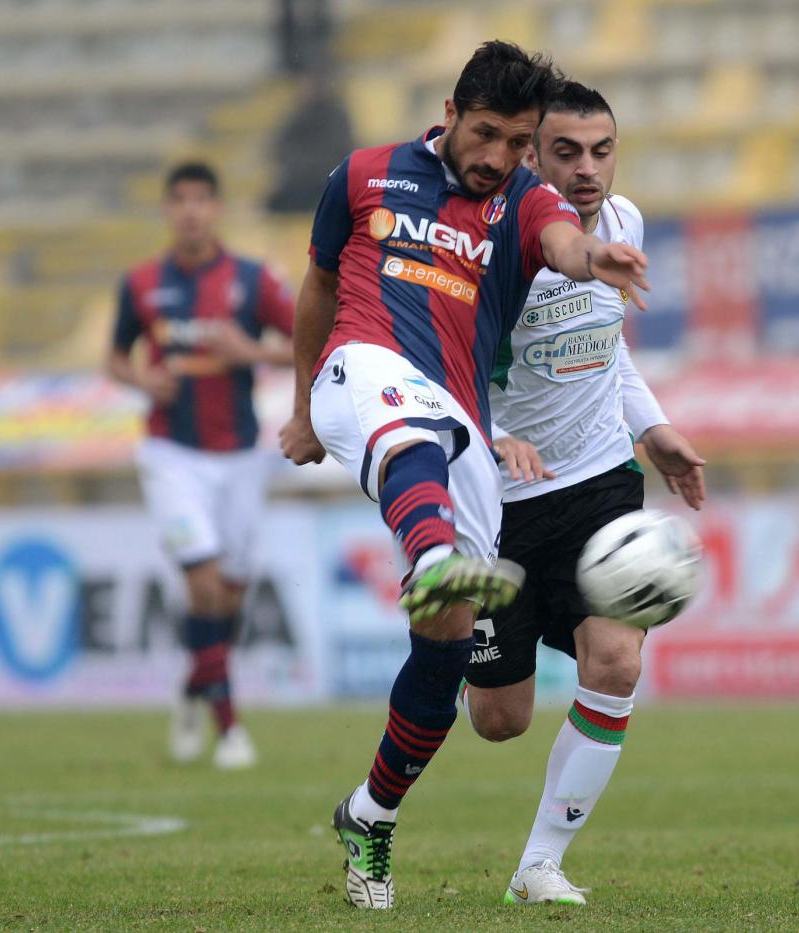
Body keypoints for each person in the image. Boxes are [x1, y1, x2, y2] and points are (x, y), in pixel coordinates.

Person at [278, 41, 650, 909]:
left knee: (453, 665)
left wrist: (594, 260)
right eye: (486, 134)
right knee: (411, 430)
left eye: (518, 142)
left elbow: (562, 241)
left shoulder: (525, 198)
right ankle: (435, 554)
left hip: (462, 427)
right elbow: (318, 289)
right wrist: (300, 409)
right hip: (362, 370)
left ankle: (370, 811)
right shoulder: (363, 176)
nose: (498, 156)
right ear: (450, 113)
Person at [457, 81, 706, 906]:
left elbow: (609, 346)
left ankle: (540, 864)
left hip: (601, 482)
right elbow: (444, 365)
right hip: (497, 499)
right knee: (499, 720)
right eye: (566, 152)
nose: (587, 169)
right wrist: (492, 434)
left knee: (617, 659)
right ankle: (448, 631)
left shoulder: (625, 223)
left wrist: (653, 427)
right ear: (530, 156)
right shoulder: (495, 247)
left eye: (601, 151)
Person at [106, 161, 295, 770]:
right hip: (172, 454)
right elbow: (115, 358)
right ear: (168, 209)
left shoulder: (251, 280)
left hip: (240, 455)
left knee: (229, 597)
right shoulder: (141, 283)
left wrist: (250, 351)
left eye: (201, 199)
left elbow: (310, 343)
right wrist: (143, 380)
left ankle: (195, 687)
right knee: (204, 584)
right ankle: (230, 730)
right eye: (180, 200)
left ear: (216, 209)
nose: (190, 211)